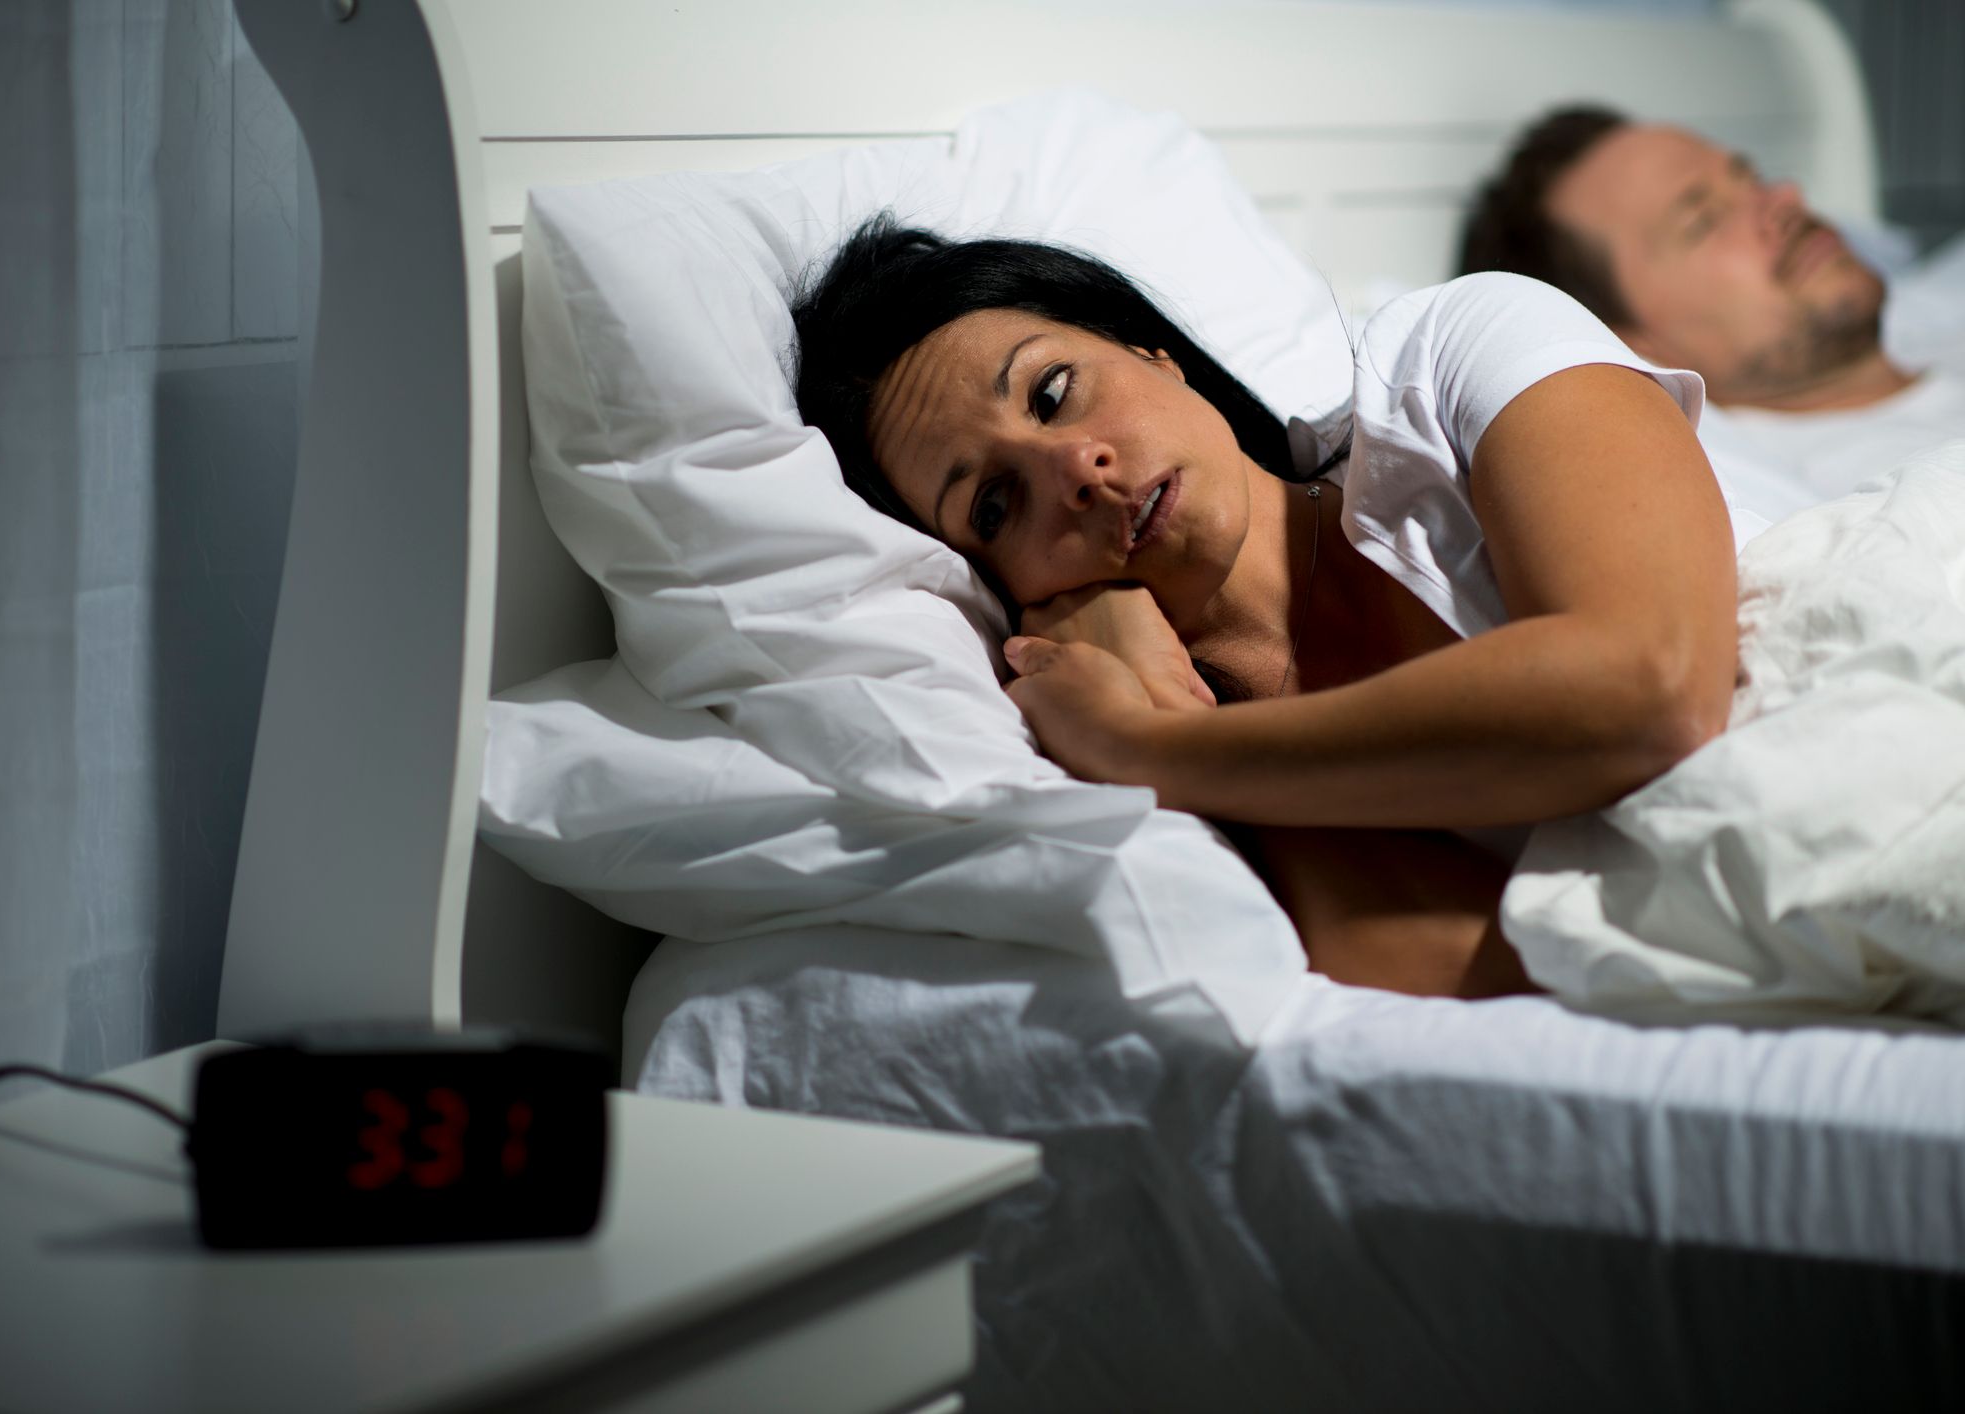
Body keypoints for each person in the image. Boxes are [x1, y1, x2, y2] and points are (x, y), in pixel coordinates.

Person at [793, 217, 1739, 1001]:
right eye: (994, 506)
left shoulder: (1449, 364)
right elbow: (1473, 990)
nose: (1074, 470)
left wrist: (1145, 750)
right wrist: (1181, 732)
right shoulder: (1150, 751)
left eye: (1052, 392)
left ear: (1155, 356)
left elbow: (1650, 690)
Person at [1458, 106, 1965, 518]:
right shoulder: (1835, 510)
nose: (1786, 199)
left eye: (1752, 178)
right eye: (1705, 219)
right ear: (1629, 343)